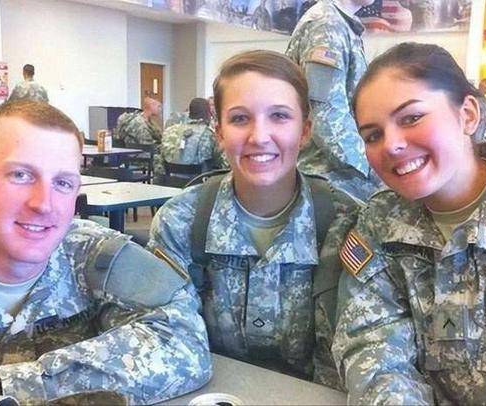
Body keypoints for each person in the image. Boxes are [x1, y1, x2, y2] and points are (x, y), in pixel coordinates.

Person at [332, 42, 486, 404]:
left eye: (411, 118)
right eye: (373, 135)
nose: (391, 145)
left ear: (468, 114)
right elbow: (372, 348)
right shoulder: (379, 221)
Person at [0, 100, 211, 405]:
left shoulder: (95, 254)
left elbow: (186, 342)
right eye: (21, 175)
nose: (43, 204)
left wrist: (10, 386)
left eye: (62, 183)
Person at [147, 50, 359, 389]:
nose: (259, 136)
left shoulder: (344, 222)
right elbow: (172, 340)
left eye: (279, 116)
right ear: (219, 132)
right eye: (240, 119)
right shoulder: (182, 221)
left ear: (305, 131)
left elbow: (344, 360)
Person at [286, 0, 381, 202]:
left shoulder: (339, 23)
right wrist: (374, 164)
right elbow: (326, 115)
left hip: (336, 174)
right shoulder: (327, 24)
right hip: (330, 178)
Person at [159, 97, 227, 179]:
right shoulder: (208, 134)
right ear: (208, 113)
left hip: (169, 181)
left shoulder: (170, 130)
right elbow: (220, 162)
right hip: (198, 182)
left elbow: (161, 158)